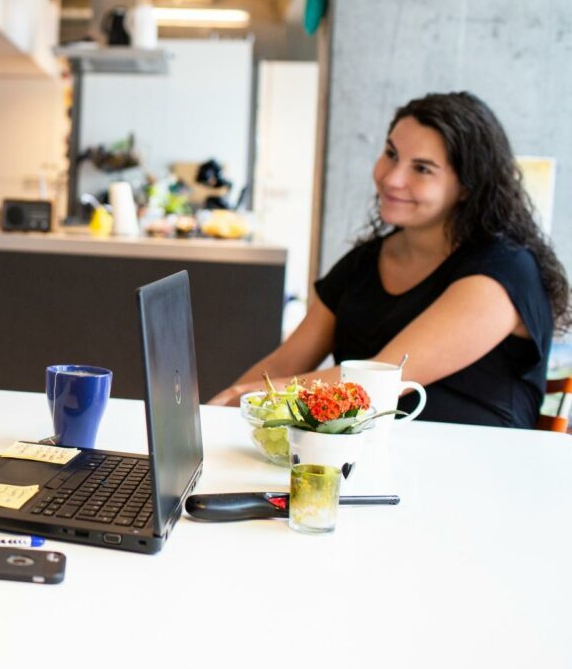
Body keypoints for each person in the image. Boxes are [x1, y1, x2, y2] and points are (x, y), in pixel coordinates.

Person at [210, 92, 568, 428]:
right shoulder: (363, 263)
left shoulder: (504, 272)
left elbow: (380, 380)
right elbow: (284, 363)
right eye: (391, 154)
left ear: (467, 187)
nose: (392, 178)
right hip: (368, 464)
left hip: (476, 474)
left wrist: (245, 398)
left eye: (422, 169)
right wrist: (214, 418)